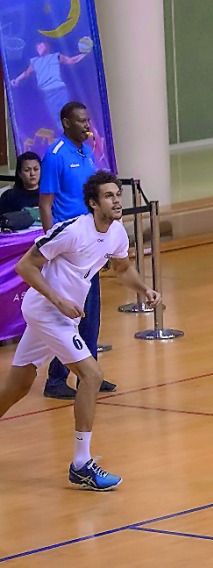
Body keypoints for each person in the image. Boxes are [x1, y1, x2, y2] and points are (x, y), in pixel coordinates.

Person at [0, 170, 161, 490]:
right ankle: (81, 463)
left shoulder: (116, 233)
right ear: (92, 203)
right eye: (109, 196)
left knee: (19, 385)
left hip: (61, 316)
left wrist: (144, 289)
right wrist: (58, 299)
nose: (116, 201)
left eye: (118, 195)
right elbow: (25, 267)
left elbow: (123, 268)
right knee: (91, 375)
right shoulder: (72, 231)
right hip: (47, 310)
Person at [39, 102, 114, 399]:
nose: (87, 125)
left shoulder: (86, 152)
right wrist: (51, 247)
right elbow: (46, 204)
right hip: (67, 246)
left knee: (91, 315)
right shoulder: (55, 156)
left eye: (88, 120)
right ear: (65, 123)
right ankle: (55, 380)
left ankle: (88, 376)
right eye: (81, 121)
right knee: (69, 317)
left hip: (89, 243)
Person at [9, 40, 88, 121]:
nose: (39, 48)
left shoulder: (55, 56)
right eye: (38, 47)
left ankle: (75, 129)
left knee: (65, 113)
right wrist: (17, 79)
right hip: (47, 92)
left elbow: (71, 60)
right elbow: (26, 73)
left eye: (41, 46)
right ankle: (66, 132)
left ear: (47, 47)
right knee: (56, 116)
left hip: (60, 90)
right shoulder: (35, 61)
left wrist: (84, 54)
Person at [0, 151, 42, 222]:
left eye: (36, 169)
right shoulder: (9, 197)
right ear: (19, 173)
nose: (32, 173)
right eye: (27, 170)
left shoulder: (49, 194)